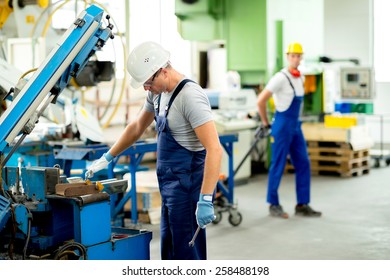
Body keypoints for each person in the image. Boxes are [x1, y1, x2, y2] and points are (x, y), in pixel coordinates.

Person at [85, 41, 223, 260]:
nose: (145, 89)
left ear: (163, 71)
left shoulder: (190, 97)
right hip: (169, 187)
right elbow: (137, 127)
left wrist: (205, 198)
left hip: (187, 189)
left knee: (187, 252)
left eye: (148, 83)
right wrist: (108, 156)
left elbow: (214, 149)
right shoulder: (157, 93)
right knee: (170, 249)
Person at [256, 42, 321, 219]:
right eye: (292, 55)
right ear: (287, 57)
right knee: (278, 164)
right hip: (282, 125)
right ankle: (273, 204)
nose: (296, 59)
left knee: (303, 163)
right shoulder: (280, 78)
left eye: (298, 55)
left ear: (301, 57)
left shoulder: (300, 78)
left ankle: (302, 204)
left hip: (295, 126)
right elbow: (261, 101)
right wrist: (265, 122)